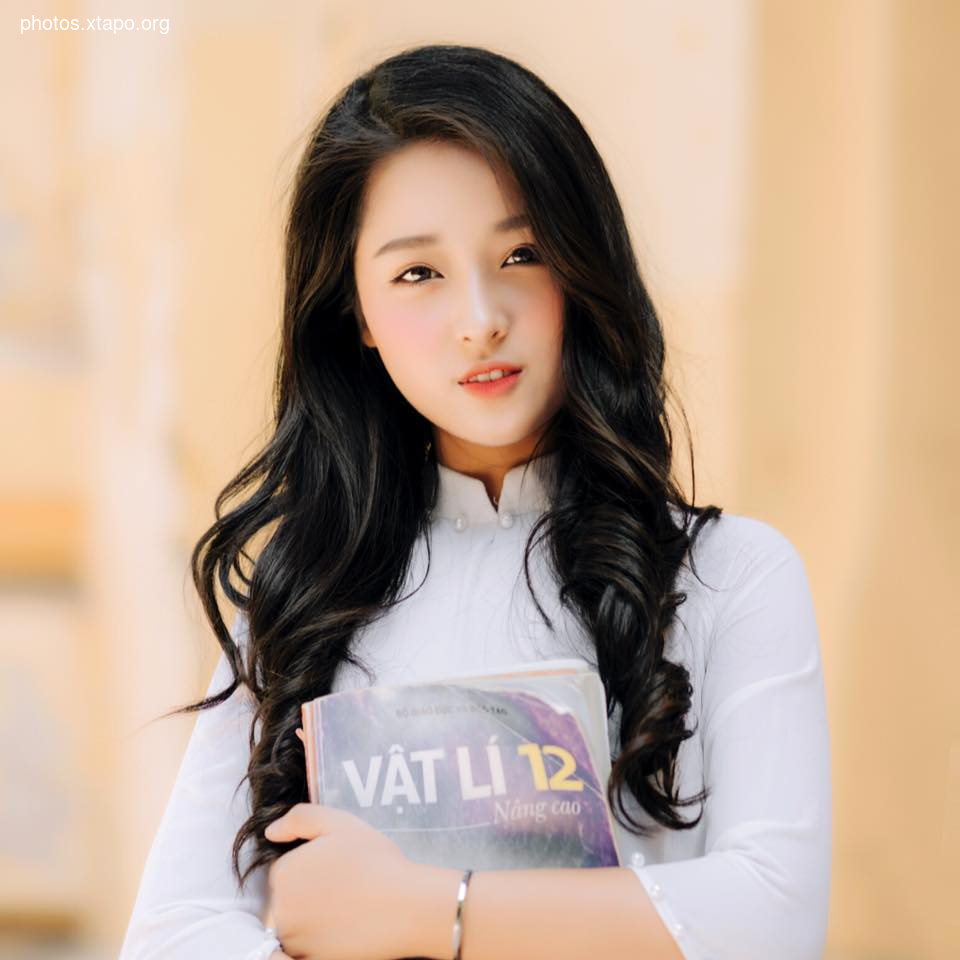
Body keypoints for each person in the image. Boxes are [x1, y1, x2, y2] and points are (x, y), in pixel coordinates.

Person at [117, 43, 831, 960]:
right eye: (419, 273)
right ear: (356, 315)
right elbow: (171, 934)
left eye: (522, 254)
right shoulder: (308, 599)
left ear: (582, 267)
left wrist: (428, 910)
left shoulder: (732, 576)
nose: (481, 318)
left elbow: (773, 917)